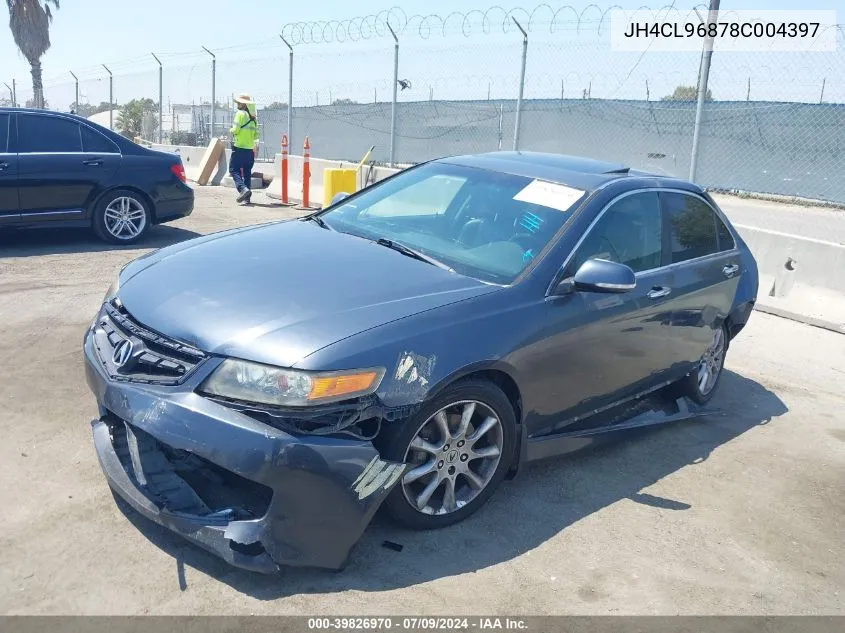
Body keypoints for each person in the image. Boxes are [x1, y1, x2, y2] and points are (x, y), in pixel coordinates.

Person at [228, 93, 259, 204]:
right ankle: (247, 199)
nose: (238, 104)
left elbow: (236, 130)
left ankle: (243, 189)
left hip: (239, 148)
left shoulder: (239, 114)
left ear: (243, 104)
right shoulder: (253, 118)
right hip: (250, 150)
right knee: (247, 173)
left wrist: (231, 130)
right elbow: (256, 136)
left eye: (239, 103)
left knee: (233, 170)